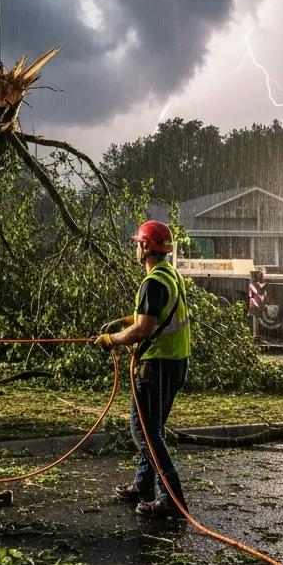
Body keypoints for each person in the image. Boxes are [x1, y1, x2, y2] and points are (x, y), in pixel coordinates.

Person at [94, 220, 190, 520]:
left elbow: (144, 330)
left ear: (146, 247)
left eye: (138, 243)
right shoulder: (169, 274)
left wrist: (112, 340)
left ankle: (171, 498)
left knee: (144, 432)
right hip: (175, 363)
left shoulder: (152, 282)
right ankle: (143, 483)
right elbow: (156, 314)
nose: (135, 248)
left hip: (157, 366)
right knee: (154, 430)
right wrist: (129, 319)